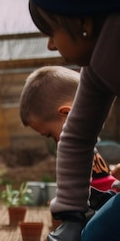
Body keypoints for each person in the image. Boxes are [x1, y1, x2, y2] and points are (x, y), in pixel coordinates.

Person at [28, 0, 120, 241]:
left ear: (83, 23)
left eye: (51, 32)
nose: (50, 45)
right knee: (97, 240)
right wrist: (70, 214)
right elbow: (76, 136)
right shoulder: (97, 67)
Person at [19, 65, 120, 194]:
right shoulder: (82, 148)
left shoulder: (77, 152)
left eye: (50, 135)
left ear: (68, 114)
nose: (56, 144)